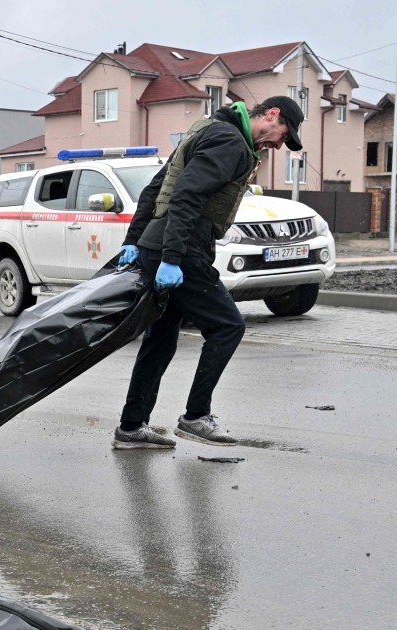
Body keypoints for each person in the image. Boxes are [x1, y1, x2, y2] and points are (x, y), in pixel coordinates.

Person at [112, 96, 305, 449]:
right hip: (182, 249)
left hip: (163, 245)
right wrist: (171, 257)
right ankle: (196, 417)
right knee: (228, 326)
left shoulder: (207, 129)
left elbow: (157, 188)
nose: (278, 144)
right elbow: (185, 195)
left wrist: (136, 240)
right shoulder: (229, 141)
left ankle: (131, 426)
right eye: (283, 134)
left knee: (161, 338)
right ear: (272, 114)